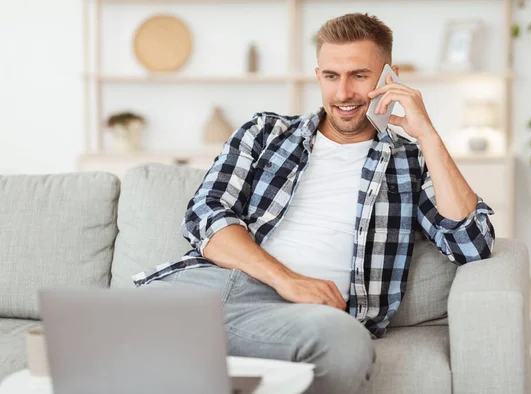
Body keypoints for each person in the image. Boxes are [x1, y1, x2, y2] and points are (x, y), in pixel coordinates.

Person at [133, 13, 495, 394]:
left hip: (305, 320)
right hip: (210, 287)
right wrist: (289, 280)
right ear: (318, 75)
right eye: (331, 76)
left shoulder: (410, 163)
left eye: (359, 75)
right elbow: (204, 215)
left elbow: (472, 244)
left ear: (391, 78)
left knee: (344, 346)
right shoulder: (265, 132)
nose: (343, 94)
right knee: (109, 326)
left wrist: (428, 134)